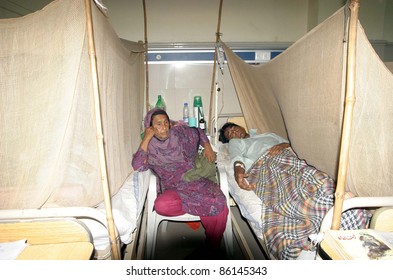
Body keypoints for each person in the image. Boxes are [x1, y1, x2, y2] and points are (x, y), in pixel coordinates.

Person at [132, 108, 229, 258]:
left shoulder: (179, 134)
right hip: (173, 186)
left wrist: (208, 146)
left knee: (219, 202)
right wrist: (146, 138)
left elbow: (197, 131)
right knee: (161, 205)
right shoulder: (149, 146)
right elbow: (137, 165)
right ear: (150, 127)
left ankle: (212, 247)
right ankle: (201, 207)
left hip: (194, 178)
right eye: (158, 124)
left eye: (166, 122)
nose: (164, 126)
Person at [218, 122, 290, 191]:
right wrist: (238, 173)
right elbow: (236, 158)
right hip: (268, 164)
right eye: (230, 133)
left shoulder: (269, 135)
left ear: (241, 127)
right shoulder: (235, 142)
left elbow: (293, 146)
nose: (234, 131)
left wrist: (283, 145)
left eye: (234, 128)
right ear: (230, 140)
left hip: (288, 157)